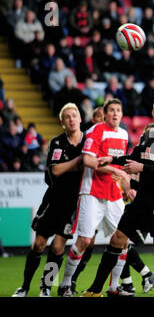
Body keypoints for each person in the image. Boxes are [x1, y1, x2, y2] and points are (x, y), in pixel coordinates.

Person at [81, 96, 154, 297]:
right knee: (117, 238)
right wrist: (112, 159)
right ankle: (95, 290)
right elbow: (133, 158)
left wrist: (143, 168)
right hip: (143, 198)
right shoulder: (147, 137)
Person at [58, 98, 129, 297]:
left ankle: (114, 287)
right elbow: (88, 160)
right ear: (105, 114)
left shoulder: (123, 134)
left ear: (122, 115)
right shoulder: (96, 131)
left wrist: (125, 178)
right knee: (84, 241)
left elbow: (119, 165)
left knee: (123, 240)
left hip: (113, 193)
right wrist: (118, 172)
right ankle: (65, 285)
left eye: (118, 110)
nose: (115, 114)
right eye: (111, 111)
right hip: (92, 191)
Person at [12, 103, 85, 297]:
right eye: (67, 117)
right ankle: (25, 287)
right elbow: (56, 170)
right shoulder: (57, 142)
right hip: (53, 200)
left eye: (74, 115)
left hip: (73, 203)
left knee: (58, 247)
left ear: (80, 119)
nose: (71, 119)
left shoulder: (89, 142)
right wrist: (79, 161)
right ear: (62, 122)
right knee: (39, 245)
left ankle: (46, 286)